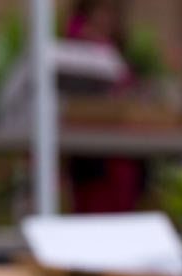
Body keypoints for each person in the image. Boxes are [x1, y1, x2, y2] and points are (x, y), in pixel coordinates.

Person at [64, 0, 144, 214]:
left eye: (113, 12)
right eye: (103, 11)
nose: (108, 19)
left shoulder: (112, 44)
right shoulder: (79, 41)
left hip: (120, 148)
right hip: (93, 150)